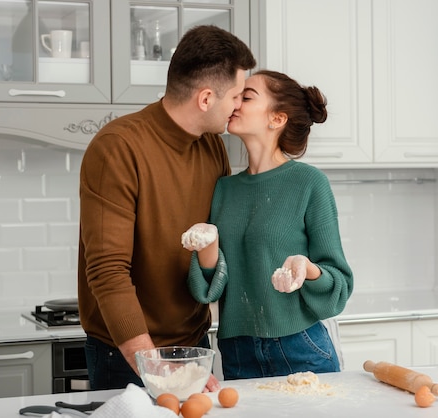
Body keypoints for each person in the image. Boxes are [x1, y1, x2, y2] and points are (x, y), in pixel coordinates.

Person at [77, 25, 256, 390]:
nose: (239, 106)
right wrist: (151, 362)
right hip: (126, 353)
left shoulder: (212, 147)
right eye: (237, 95)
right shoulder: (117, 148)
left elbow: (213, 250)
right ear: (206, 99)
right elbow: (107, 270)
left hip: (193, 347)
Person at [182, 70, 353, 380]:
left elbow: (339, 284)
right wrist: (206, 247)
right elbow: (211, 286)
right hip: (237, 349)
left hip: (300, 345)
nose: (234, 103)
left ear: (277, 119)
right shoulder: (224, 189)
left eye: (246, 97)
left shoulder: (309, 183)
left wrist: (306, 268)